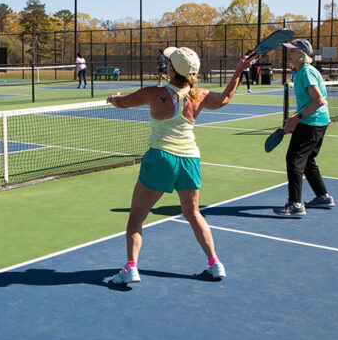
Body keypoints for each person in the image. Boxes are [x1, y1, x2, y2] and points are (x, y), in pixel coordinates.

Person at [106, 47, 258, 284]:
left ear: (171, 69)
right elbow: (226, 97)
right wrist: (239, 70)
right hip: (190, 161)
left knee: (136, 216)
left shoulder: (154, 93)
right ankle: (215, 263)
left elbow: (122, 103)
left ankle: (131, 268)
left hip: (161, 159)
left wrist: (112, 98)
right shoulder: (200, 95)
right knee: (193, 213)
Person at [274, 39, 335, 216]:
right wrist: (295, 118)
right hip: (317, 121)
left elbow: (319, 100)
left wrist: (297, 117)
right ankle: (323, 197)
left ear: (302, 54)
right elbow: (311, 101)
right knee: (307, 160)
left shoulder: (306, 72)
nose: (289, 54)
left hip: (312, 122)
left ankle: (295, 204)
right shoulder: (302, 72)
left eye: (292, 51)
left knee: (293, 160)